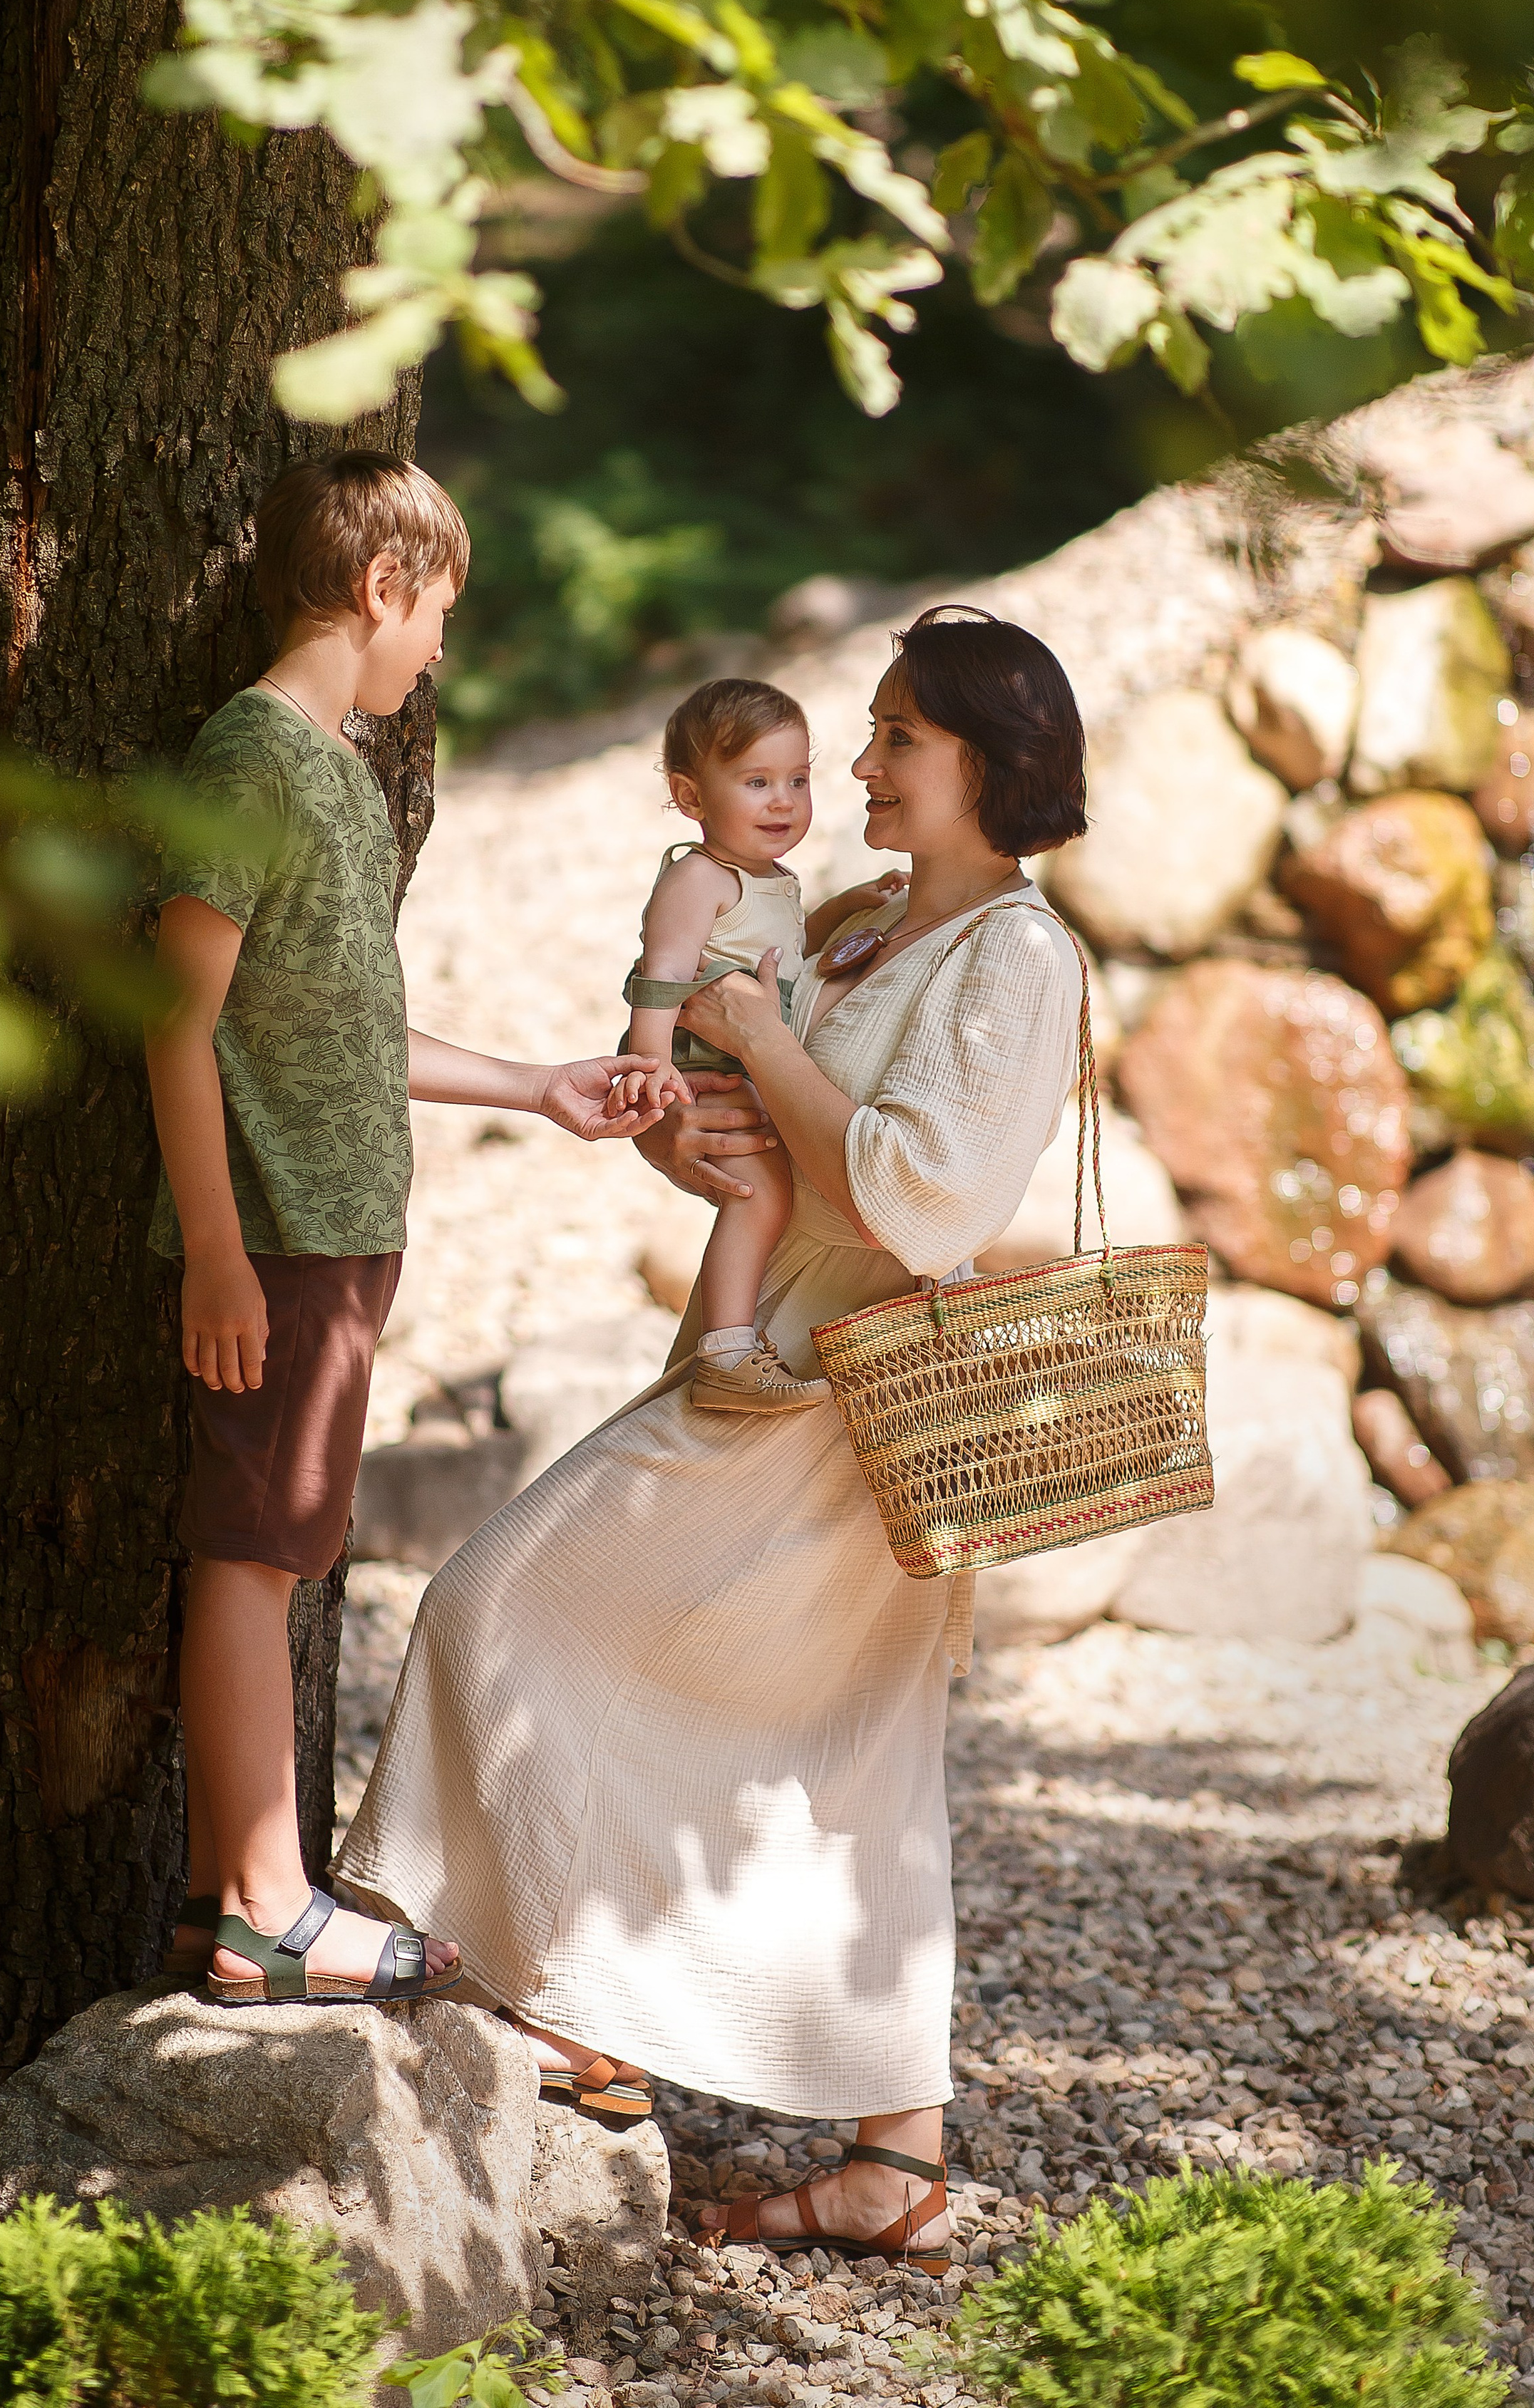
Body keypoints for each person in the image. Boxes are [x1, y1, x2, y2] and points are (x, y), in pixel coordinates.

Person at [336, 605, 1089, 2255]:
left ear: (987, 761)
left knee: (507, 1603)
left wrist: (750, 1040)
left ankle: (567, 2005)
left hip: (849, 1391)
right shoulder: (861, 916)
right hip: (755, 1350)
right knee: (843, 1755)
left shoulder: (1021, 957)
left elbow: (917, 1191)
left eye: (897, 735)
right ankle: (888, 2156)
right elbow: (741, 1130)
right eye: (873, 732)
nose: (866, 761)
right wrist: (678, 1113)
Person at [144, 450, 662, 2007]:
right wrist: (221, 1250)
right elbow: (179, 1027)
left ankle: (233, 1893)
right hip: (280, 1244)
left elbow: (350, 1031)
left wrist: (536, 1086)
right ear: (381, 587)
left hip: (337, 1245)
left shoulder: (335, 773)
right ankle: (258, 1907)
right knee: (252, 1558)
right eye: (436, 612)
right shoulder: (253, 761)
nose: (437, 647)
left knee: (283, 1548)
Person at [615, 676, 902, 1413]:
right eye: (756, 782)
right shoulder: (698, 875)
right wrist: (648, 1071)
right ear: (691, 797)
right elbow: (663, 977)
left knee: (770, 1189)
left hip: (748, 1062)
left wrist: (844, 906)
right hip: (704, 1069)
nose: (783, 800)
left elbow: (787, 951)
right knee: (760, 1193)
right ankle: (727, 1352)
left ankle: (734, 1339)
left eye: (797, 779)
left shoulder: (770, 877)